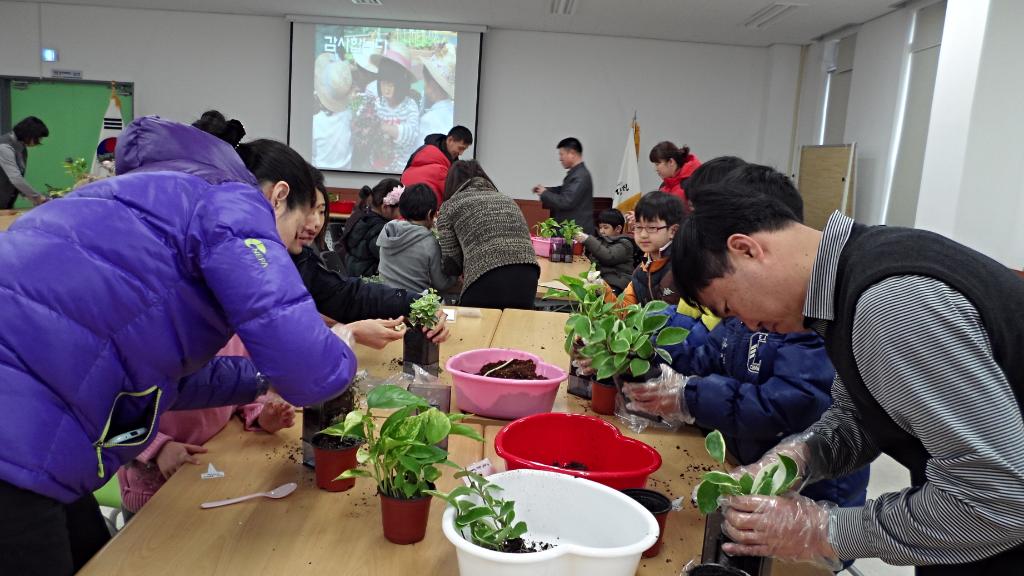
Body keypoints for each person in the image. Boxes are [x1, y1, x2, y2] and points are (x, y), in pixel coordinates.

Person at [0, 116, 356, 574]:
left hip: (38, 433)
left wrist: (260, 381)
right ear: (278, 196)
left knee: (92, 553)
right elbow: (310, 371)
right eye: (300, 222)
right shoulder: (231, 203)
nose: (293, 247)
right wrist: (341, 348)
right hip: (20, 435)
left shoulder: (151, 199)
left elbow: (165, 374)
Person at [672, 180, 1024, 573]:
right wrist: (803, 456)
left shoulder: (891, 303)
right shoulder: (847, 284)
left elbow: (998, 498)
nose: (750, 327)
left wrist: (823, 529)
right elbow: (868, 412)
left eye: (731, 307)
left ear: (747, 249)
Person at [621, 161, 869, 526]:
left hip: (812, 501)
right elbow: (709, 351)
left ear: (746, 242)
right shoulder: (752, 309)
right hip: (749, 468)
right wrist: (648, 329)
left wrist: (691, 397)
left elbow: (794, 403)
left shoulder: (811, 316)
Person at [117, 336, 295, 520]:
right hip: (154, 493)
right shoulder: (141, 338)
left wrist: (261, 415)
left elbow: (240, 390)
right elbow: (108, 414)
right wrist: (158, 448)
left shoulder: (232, 335)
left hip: (210, 474)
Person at [290, 171, 450, 345]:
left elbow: (350, 295)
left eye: (321, 211)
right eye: (306, 210)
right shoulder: (266, 268)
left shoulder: (304, 260)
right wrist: (347, 332)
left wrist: (417, 302)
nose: (315, 223)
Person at [437, 160, 540, 309]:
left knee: (472, 329)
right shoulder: (508, 200)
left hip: (485, 279)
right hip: (528, 277)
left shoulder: (450, 206)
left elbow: (451, 264)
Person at [378, 183, 457, 294]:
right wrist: (454, 276)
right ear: (430, 214)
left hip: (384, 299)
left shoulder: (388, 232)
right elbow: (441, 283)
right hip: (413, 304)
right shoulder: (429, 242)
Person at [619, 191, 686, 306]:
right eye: (638, 227)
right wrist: (602, 291)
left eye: (652, 227)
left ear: (673, 231)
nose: (643, 234)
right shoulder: (641, 270)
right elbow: (625, 309)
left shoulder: (683, 266)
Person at [371, 42, 421, 172]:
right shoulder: (377, 104)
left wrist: (383, 128)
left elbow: (411, 135)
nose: (386, 88)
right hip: (375, 168)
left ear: (401, 83)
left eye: (391, 84)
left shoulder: (410, 106)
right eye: (383, 82)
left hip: (401, 171)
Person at [532, 137, 594, 234]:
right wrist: (546, 190)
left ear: (572, 154)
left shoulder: (581, 175)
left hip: (575, 232)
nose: (560, 158)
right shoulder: (577, 173)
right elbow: (564, 190)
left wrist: (544, 193)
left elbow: (566, 201)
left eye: (562, 154)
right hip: (572, 230)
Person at [401, 125, 473, 207]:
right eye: (460, 148)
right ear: (450, 140)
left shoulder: (420, 151)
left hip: (406, 206)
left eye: (464, 149)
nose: (461, 153)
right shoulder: (442, 168)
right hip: (426, 211)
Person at [343, 177, 401, 277]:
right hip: (366, 282)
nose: (402, 213)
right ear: (385, 208)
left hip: (354, 276)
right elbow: (392, 260)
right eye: (400, 209)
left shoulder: (364, 218)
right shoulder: (379, 230)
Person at [574, 209, 635, 295]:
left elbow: (608, 256)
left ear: (618, 228)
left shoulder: (625, 244)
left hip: (616, 285)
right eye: (600, 227)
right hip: (601, 281)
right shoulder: (603, 240)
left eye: (606, 227)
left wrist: (587, 240)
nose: (602, 231)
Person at [312, 52, 355, 170]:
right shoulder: (350, 115)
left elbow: (313, 152)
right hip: (348, 172)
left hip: (319, 173)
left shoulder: (315, 122)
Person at [0, 116, 50, 208]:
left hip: (6, 203)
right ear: (29, 134)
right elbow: (16, 178)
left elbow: (17, 178)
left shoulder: (22, 148)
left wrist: (32, 197)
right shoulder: (4, 147)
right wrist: (38, 197)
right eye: (38, 138)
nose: (39, 142)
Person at [417, 49, 456, 144]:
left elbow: (421, 154)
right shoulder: (455, 112)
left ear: (432, 85)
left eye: (425, 81)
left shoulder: (428, 120)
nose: (424, 86)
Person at [649, 140, 701, 207]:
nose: (655, 169)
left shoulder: (693, 184)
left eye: (657, 164)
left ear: (671, 162)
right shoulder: (664, 186)